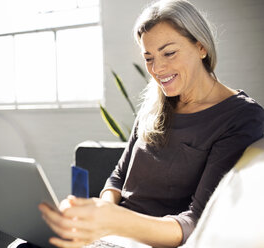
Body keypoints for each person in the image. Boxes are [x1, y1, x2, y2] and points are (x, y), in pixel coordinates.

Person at [18, 0, 264, 247]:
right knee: (26, 244)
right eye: (149, 58)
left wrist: (114, 221)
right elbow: (119, 175)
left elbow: (196, 223)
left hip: (152, 241)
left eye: (169, 53)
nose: (157, 68)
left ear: (201, 47)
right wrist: (100, 212)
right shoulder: (155, 105)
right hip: (112, 235)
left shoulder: (241, 117)